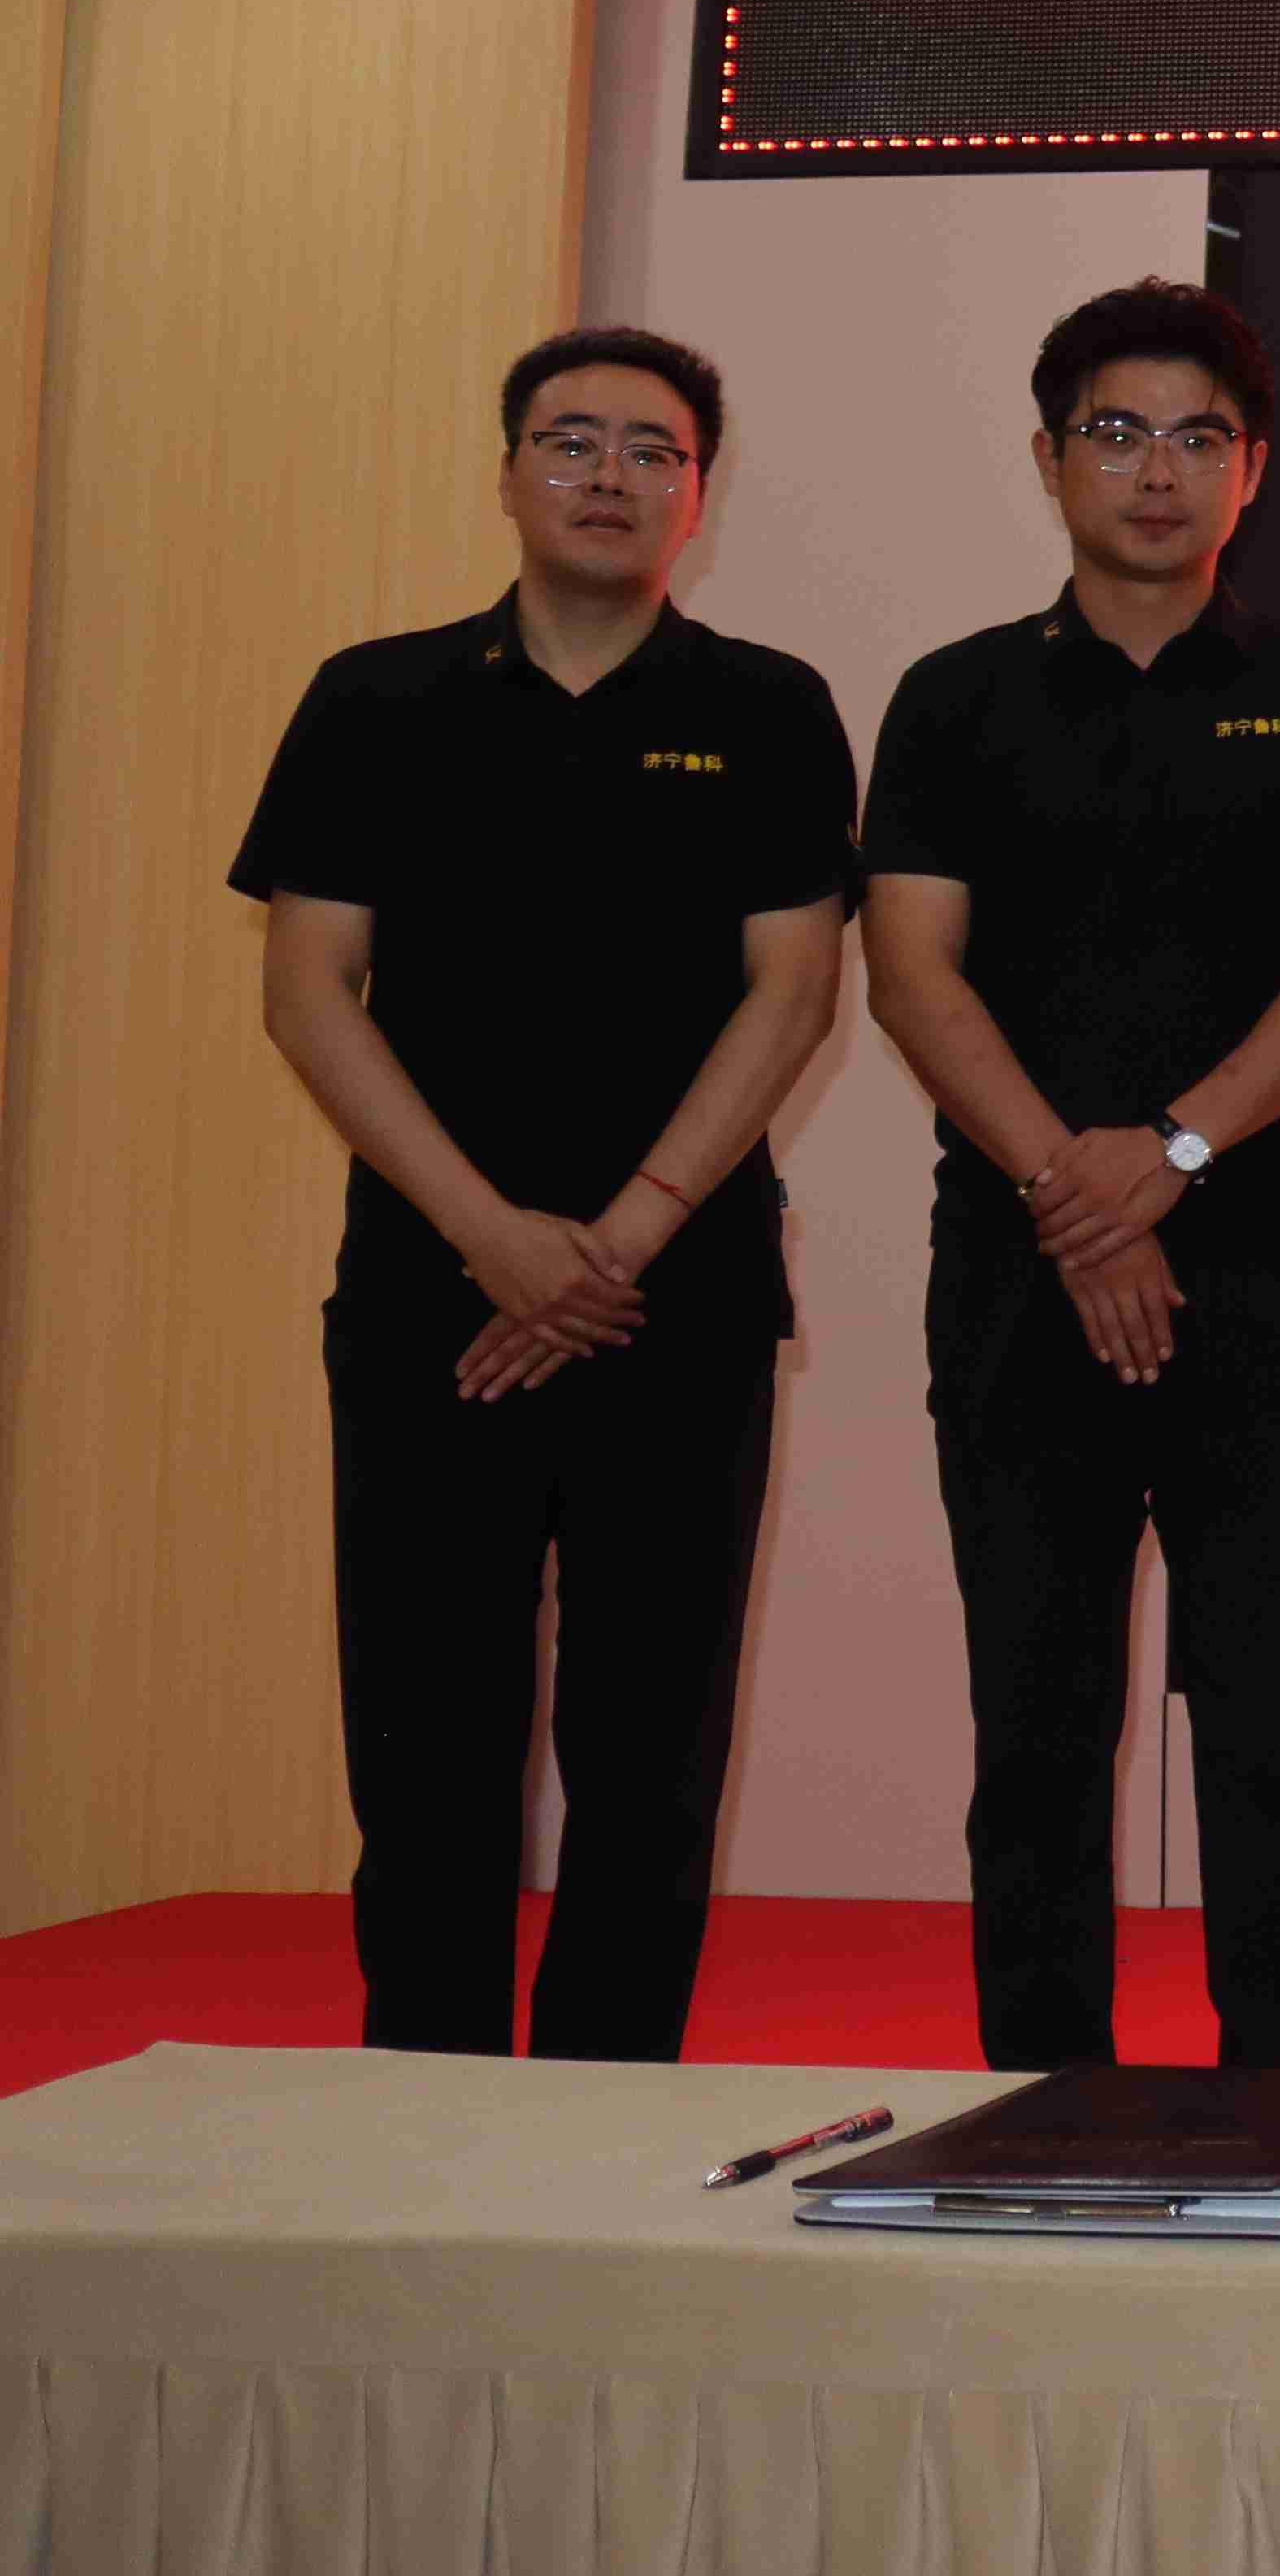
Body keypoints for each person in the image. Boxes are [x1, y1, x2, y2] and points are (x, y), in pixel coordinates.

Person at [232, 326, 853, 2058]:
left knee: (650, 1757)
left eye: (654, 451)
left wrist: (618, 1239)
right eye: (572, 442)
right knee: (427, 1748)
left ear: (699, 495)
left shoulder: (769, 707)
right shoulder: (376, 699)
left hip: (681, 1305)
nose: (610, 477)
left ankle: (609, 2125)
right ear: (508, 470)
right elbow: (309, 994)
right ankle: (426, 2112)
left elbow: (794, 992)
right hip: (430, 1302)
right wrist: (490, 1236)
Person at [857, 280, 1280, 2071]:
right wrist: (1073, 1197)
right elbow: (912, 974)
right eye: (1115, 433)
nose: (1156, 472)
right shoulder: (955, 699)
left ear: (1252, 470)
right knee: (1036, 1724)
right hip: (1019, 1280)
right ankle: (1041, 2095)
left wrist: (1169, 1155)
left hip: (1260, 1284)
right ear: (1048, 460)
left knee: (1270, 1727)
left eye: (1196, 438)